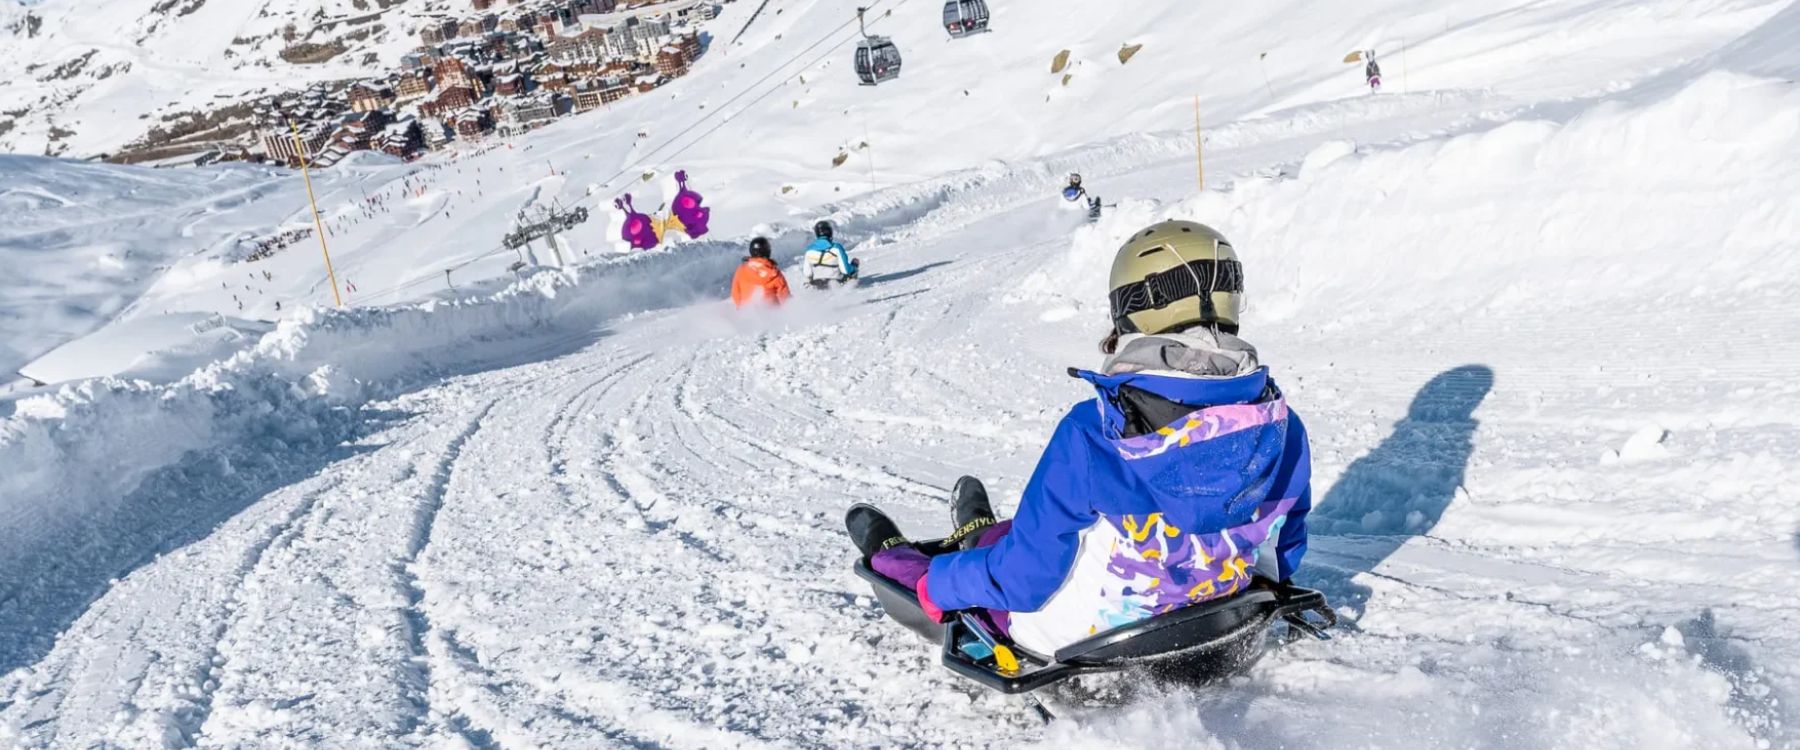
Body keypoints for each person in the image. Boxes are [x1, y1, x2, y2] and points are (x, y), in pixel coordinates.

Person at [845, 220, 1314, 656]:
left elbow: (1023, 580)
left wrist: (937, 586)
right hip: (1217, 631)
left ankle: (897, 558)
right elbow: (1285, 547)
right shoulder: (1279, 424)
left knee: (973, 567)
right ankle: (983, 535)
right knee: (1038, 536)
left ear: (1131, 310)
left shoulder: (1096, 432)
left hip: (1090, 644)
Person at [731, 236, 791, 308]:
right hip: (772, 314)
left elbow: (735, 294)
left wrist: (741, 310)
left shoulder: (741, 270)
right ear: (767, 251)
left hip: (747, 313)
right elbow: (785, 298)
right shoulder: (774, 273)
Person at [803, 220, 858, 289]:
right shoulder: (836, 248)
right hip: (836, 283)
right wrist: (854, 267)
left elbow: (807, 273)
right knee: (854, 263)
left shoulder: (809, 251)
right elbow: (845, 270)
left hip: (817, 284)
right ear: (830, 232)